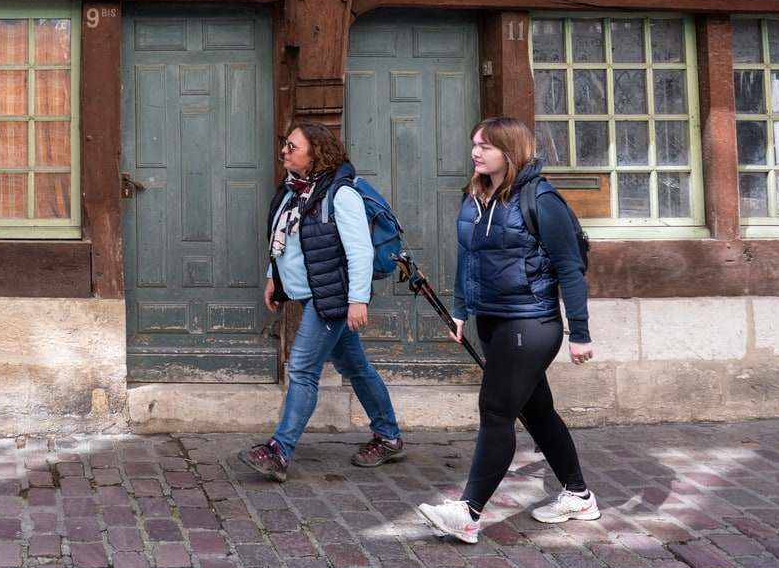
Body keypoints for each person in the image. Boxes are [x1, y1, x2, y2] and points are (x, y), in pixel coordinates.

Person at [417, 115, 599, 543]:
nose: (477, 152)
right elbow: (468, 258)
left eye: (487, 146)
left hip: (531, 320)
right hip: (492, 319)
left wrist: (580, 331)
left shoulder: (541, 199)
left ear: (510, 151)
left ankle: (468, 511)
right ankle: (579, 495)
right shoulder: (477, 196)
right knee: (536, 411)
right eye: (475, 143)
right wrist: (460, 310)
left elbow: (570, 269)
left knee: (496, 410)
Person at [237, 121, 404, 482]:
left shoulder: (339, 194)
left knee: (301, 370)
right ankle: (389, 437)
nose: (284, 150)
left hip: (330, 298)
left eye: (292, 146)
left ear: (315, 155)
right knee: (356, 367)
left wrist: (357, 300)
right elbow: (283, 240)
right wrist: (273, 277)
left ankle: (279, 451)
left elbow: (359, 252)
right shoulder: (292, 190)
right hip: (310, 293)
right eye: (286, 144)